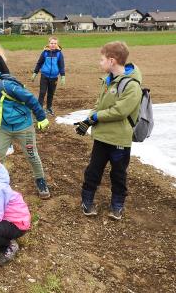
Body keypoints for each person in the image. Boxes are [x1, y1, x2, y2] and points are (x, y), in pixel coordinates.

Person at [75, 41, 142, 220]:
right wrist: (89, 119)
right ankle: (87, 201)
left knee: (118, 174)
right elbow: (98, 104)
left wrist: (96, 117)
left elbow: (121, 111)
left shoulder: (132, 86)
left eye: (102, 59)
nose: (100, 62)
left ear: (112, 61)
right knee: (93, 171)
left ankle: (117, 206)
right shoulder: (107, 81)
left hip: (119, 139)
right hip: (102, 137)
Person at [0, 60, 51, 199]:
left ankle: (40, 180)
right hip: (5, 129)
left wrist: (41, 116)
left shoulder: (6, 86)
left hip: (24, 127)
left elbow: (29, 98)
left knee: (32, 155)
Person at [31, 36, 65, 115]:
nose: (53, 45)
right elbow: (39, 63)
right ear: (48, 43)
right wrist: (35, 73)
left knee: (51, 93)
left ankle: (49, 108)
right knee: (42, 93)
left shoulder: (59, 54)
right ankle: (39, 110)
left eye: (55, 43)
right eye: (51, 43)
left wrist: (63, 76)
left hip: (54, 78)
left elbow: (61, 66)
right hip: (44, 76)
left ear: (57, 44)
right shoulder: (45, 53)